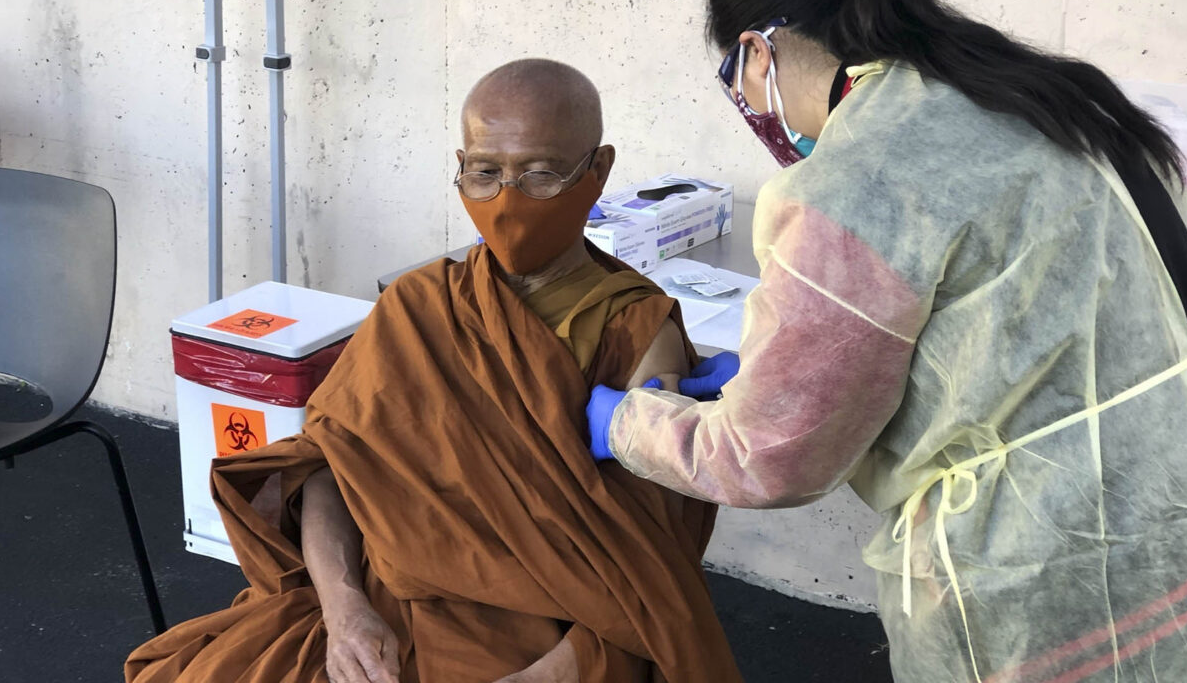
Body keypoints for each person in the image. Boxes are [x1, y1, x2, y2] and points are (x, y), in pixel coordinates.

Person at [586, 0, 1187, 681]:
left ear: (757, 52)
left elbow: (767, 458)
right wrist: (780, 373)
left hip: (1053, 581)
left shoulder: (860, 177)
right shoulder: (1046, 96)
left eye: (732, 76)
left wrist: (628, 423)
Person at [126, 59, 743, 683]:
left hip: (542, 642)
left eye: (540, 174)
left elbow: (647, 582)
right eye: (484, 173)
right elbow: (328, 468)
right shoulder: (420, 305)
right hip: (379, 611)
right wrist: (345, 616)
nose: (507, 198)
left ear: (598, 169)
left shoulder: (634, 333)